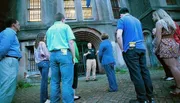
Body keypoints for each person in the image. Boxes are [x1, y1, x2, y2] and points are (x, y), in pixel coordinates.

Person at [116, 8, 154, 103]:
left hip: (131, 49)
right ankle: (150, 97)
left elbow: (119, 36)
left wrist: (122, 49)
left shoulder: (122, 20)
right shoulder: (137, 20)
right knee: (145, 72)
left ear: (121, 14)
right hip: (141, 47)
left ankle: (142, 99)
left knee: (136, 74)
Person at [46, 13, 75, 103]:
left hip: (53, 55)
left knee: (54, 81)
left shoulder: (49, 29)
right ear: (63, 19)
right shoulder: (65, 26)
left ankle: (54, 101)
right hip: (64, 54)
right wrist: (73, 56)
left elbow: (47, 45)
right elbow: (70, 42)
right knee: (66, 81)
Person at [152, 9, 180, 95]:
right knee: (176, 66)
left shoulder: (159, 23)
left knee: (172, 67)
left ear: (157, 15)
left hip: (165, 44)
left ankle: (179, 87)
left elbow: (158, 38)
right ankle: (177, 84)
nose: (152, 18)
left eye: (153, 16)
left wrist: (156, 48)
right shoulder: (170, 21)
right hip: (173, 43)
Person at [0, 18, 21, 103]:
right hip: (9, 61)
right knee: (7, 86)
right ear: (13, 25)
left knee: (9, 86)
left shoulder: (10, 33)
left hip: (10, 60)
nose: (20, 26)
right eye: (18, 24)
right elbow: (4, 48)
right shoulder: (9, 32)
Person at [34, 33, 50, 103]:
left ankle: (46, 98)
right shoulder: (42, 43)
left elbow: (35, 55)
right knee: (44, 82)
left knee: (44, 81)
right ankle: (43, 100)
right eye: (45, 37)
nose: (45, 38)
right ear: (42, 37)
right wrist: (50, 59)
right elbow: (46, 53)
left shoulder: (35, 44)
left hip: (39, 63)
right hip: (44, 63)